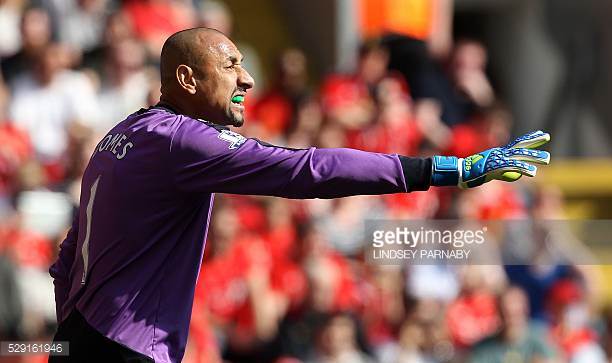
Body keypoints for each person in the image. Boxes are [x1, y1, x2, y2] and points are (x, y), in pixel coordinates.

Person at [48, 27, 551, 363]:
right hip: (127, 349)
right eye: (230, 66)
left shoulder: (127, 133)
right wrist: (447, 169)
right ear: (187, 79)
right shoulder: (183, 139)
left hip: (84, 337)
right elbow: (304, 169)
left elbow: (68, 255)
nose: (247, 78)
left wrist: (71, 336)